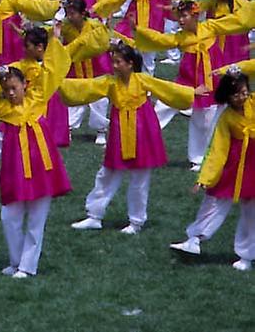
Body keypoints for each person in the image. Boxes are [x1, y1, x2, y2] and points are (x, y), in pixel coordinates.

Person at [0, 33, 72, 278]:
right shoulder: (1, 108)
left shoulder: (38, 97)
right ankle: (16, 260)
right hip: (16, 169)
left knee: (36, 221)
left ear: (25, 85)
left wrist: (55, 40)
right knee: (10, 215)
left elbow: (52, 70)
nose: (10, 93)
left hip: (42, 168)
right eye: (6, 89)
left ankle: (28, 266)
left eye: (14, 88)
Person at [63, 41, 194, 234]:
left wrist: (191, 93)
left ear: (130, 63)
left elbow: (167, 89)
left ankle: (136, 221)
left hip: (143, 133)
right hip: (119, 134)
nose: (114, 66)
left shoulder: (142, 80)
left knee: (140, 179)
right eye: (113, 62)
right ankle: (94, 215)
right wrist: (59, 83)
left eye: (118, 62)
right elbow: (86, 87)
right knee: (107, 174)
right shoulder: (109, 82)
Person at [170, 68, 255, 269]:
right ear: (227, 97)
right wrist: (204, 179)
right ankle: (195, 238)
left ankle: (247, 255)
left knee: (251, 211)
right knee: (215, 200)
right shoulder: (226, 118)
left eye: (244, 92)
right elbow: (218, 149)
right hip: (233, 166)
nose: (242, 97)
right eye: (236, 94)